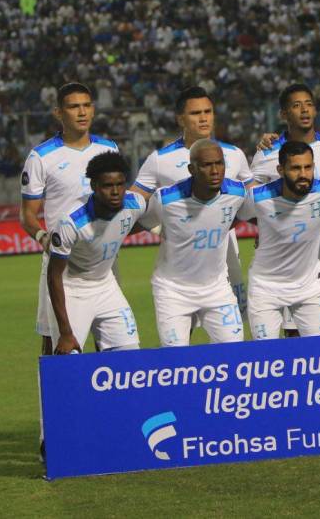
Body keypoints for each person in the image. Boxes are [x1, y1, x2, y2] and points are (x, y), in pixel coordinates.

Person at [131, 86, 253, 316]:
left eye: (208, 111)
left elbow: (255, 201)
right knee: (182, 325)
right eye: (196, 113)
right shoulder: (159, 160)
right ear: (180, 119)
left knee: (232, 326)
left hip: (225, 251)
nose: (204, 117)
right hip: (182, 261)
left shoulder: (235, 154)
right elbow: (133, 203)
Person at [251, 83, 320, 335]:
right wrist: (271, 229)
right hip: (286, 245)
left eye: (309, 104)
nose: (304, 110)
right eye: (296, 105)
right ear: (283, 114)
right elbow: (253, 201)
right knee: (294, 326)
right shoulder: (267, 153)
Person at [20, 82, 118, 356]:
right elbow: (28, 215)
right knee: (55, 341)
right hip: (62, 262)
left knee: (111, 342)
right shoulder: (41, 157)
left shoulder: (108, 149)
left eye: (86, 105)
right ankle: (53, 397)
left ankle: (105, 398)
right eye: (74, 107)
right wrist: (42, 237)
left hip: (103, 260)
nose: (82, 112)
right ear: (58, 113)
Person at [138, 140, 246, 346]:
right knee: (177, 360)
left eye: (219, 163)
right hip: (173, 291)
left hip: (217, 289)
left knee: (235, 352)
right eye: (207, 165)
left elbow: (249, 215)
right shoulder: (165, 199)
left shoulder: (237, 193)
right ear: (191, 169)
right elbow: (140, 221)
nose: (215, 171)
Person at [237, 141, 320, 339]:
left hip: (310, 287)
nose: (303, 174)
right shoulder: (258, 198)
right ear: (280, 170)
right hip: (265, 288)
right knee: (265, 356)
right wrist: (266, 226)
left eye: (308, 167)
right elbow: (239, 215)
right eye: (296, 168)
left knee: (318, 353)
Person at [47, 151, 144, 355]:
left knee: (130, 354)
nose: (116, 191)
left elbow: (140, 222)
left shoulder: (135, 204)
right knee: (69, 360)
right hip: (73, 290)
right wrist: (65, 331)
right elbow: (54, 275)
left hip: (106, 287)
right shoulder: (71, 222)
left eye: (120, 184)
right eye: (108, 186)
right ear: (94, 186)